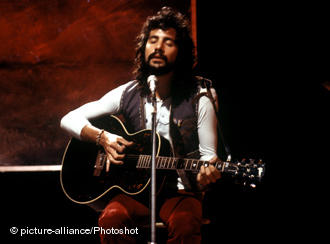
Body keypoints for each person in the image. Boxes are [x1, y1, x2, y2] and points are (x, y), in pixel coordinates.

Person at [60, 7, 221, 244]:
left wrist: (209, 171)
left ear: (182, 52)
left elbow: (209, 157)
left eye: (168, 42)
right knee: (111, 220)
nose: (158, 47)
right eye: (153, 40)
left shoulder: (202, 95)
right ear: (143, 47)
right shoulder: (128, 93)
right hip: (136, 192)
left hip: (180, 192)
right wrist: (103, 138)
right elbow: (68, 119)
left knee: (185, 225)